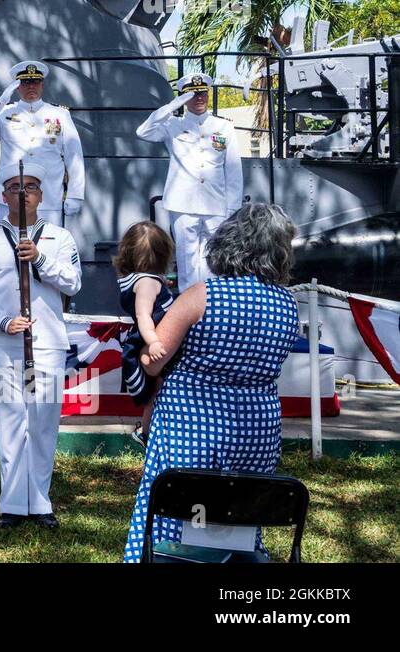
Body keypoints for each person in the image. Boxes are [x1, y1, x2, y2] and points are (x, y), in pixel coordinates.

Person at [124, 204, 301, 562]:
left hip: (189, 424)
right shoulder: (288, 305)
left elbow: (155, 365)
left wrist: (141, 353)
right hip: (256, 428)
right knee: (238, 511)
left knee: (175, 507)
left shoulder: (203, 295)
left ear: (229, 243)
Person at [0, 165, 81, 529]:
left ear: (41, 196)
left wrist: (40, 260)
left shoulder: (60, 238)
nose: (22, 192)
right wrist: (2, 321)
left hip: (47, 343)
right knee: (11, 420)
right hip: (5, 344)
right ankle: (13, 503)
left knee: (43, 422)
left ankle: (40, 502)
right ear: (3, 196)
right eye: (14, 187)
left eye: (30, 187)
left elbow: (74, 283)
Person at [136, 73, 243, 290]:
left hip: (216, 205)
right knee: (187, 260)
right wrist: (174, 104)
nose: (199, 98)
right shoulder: (173, 125)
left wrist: (232, 209)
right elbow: (143, 131)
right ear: (184, 97)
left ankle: (213, 305)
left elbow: (233, 171)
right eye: (192, 94)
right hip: (183, 204)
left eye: (203, 93)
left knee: (216, 258)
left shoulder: (223, 127)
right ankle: (189, 306)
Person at [0, 60, 85, 230]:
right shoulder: (4, 112)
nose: (31, 86)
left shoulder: (59, 115)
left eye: (35, 82)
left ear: (42, 85)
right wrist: (0, 101)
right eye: (25, 82)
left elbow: (74, 156)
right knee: (9, 250)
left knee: (49, 249)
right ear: (17, 86)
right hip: (11, 198)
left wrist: (75, 195)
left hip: (49, 197)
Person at [112, 221, 175, 446]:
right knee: (155, 390)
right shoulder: (147, 283)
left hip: (151, 337)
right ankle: (146, 432)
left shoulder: (144, 280)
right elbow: (143, 316)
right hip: (150, 339)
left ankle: (149, 430)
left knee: (156, 390)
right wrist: (154, 341)